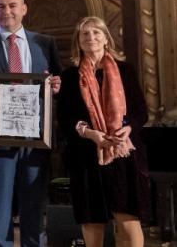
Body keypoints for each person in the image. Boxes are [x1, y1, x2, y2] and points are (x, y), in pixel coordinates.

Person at [0, 0, 63, 247]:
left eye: (13, 6)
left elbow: (57, 82)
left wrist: (57, 86)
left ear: (24, 8)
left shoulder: (45, 43)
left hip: (36, 136)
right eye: (0, 7)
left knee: (33, 201)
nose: (7, 11)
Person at [57, 17, 150, 247]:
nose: (91, 38)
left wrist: (128, 129)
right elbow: (65, 118)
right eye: (85, 34)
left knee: (128, 219)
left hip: (123, 154)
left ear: (106, 38)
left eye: (96, 33)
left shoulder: (125, 71)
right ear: (78, 41)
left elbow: (141, 112)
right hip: (86, 155)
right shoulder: (70, 77)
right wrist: (90, 133)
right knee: (92, 220)